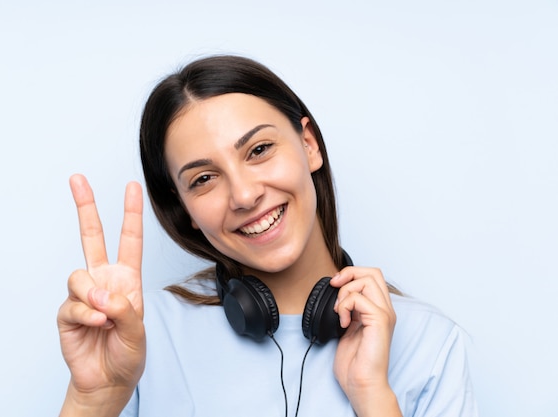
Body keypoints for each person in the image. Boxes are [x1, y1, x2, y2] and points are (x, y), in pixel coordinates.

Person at [57, 55, 477, 417]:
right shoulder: (138, 335)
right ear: (183, 208)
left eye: (258, 150)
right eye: (204, 178)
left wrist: (373, 398)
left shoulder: (428, 343)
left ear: (308, 144)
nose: (244, 195)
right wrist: (93, 401)